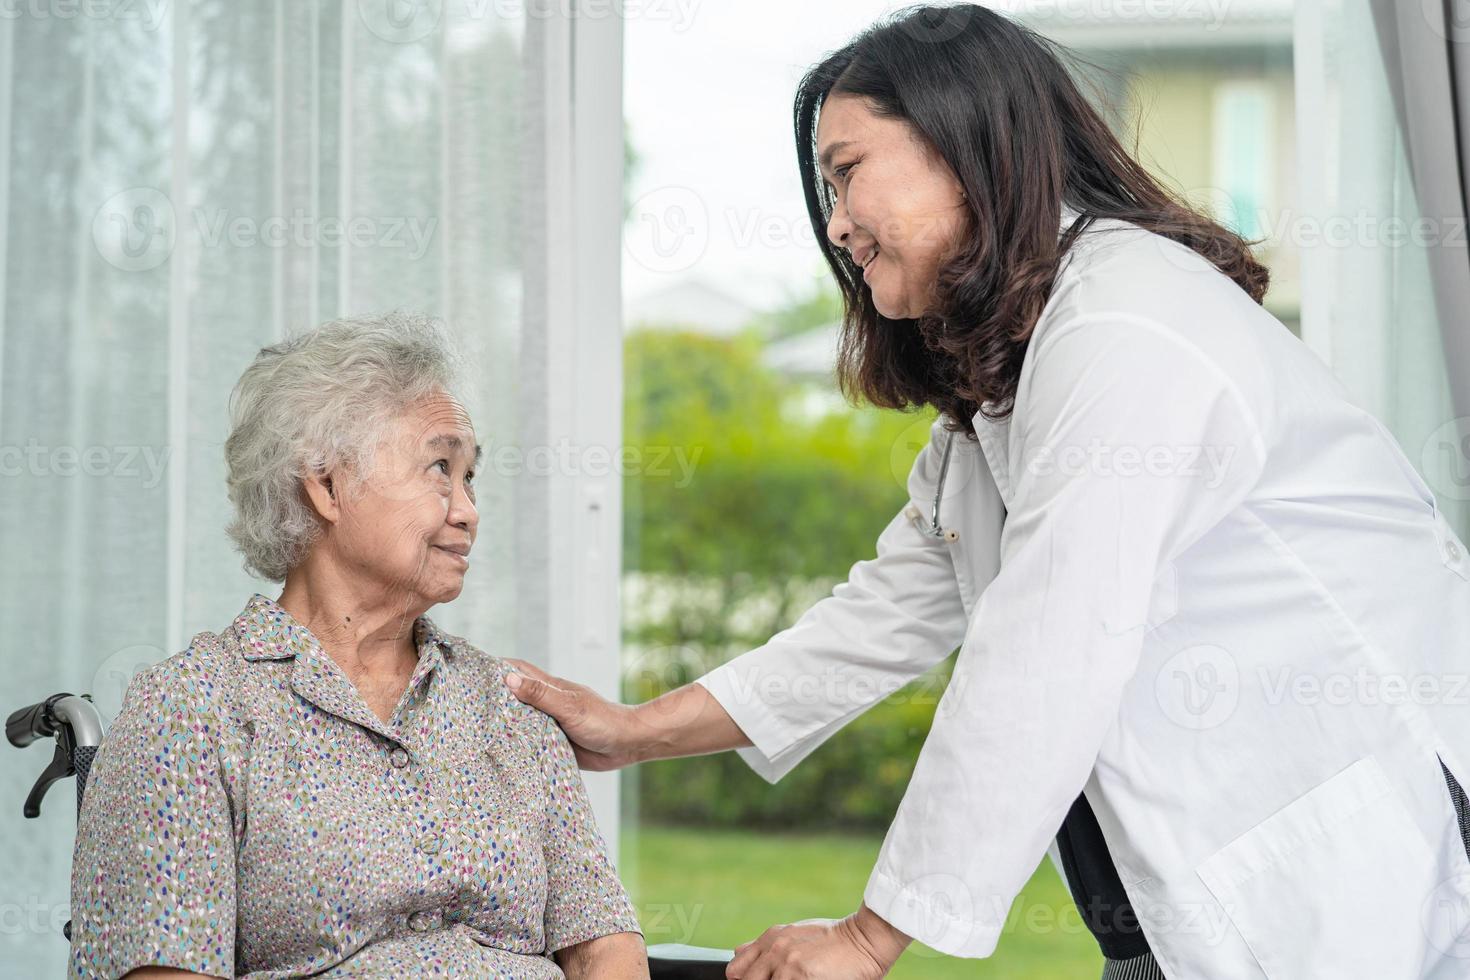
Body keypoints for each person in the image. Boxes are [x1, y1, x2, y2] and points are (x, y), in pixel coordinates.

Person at [505, 6, 1470, 979]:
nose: (834, 222)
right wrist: (632, 732)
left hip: (1367, 864)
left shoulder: (1127, 328)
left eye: (847, 172)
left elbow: (1047, 647)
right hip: (1196, 905)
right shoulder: (1013, 386)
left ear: (964, 142)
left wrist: (868, 935)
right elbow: (878, 618)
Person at [68, 314, 648, 980]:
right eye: (439, 469)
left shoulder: (506, 707)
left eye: (470, 477)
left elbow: (604, 944)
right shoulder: (192, 711)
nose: (467, 510)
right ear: (326, 485)